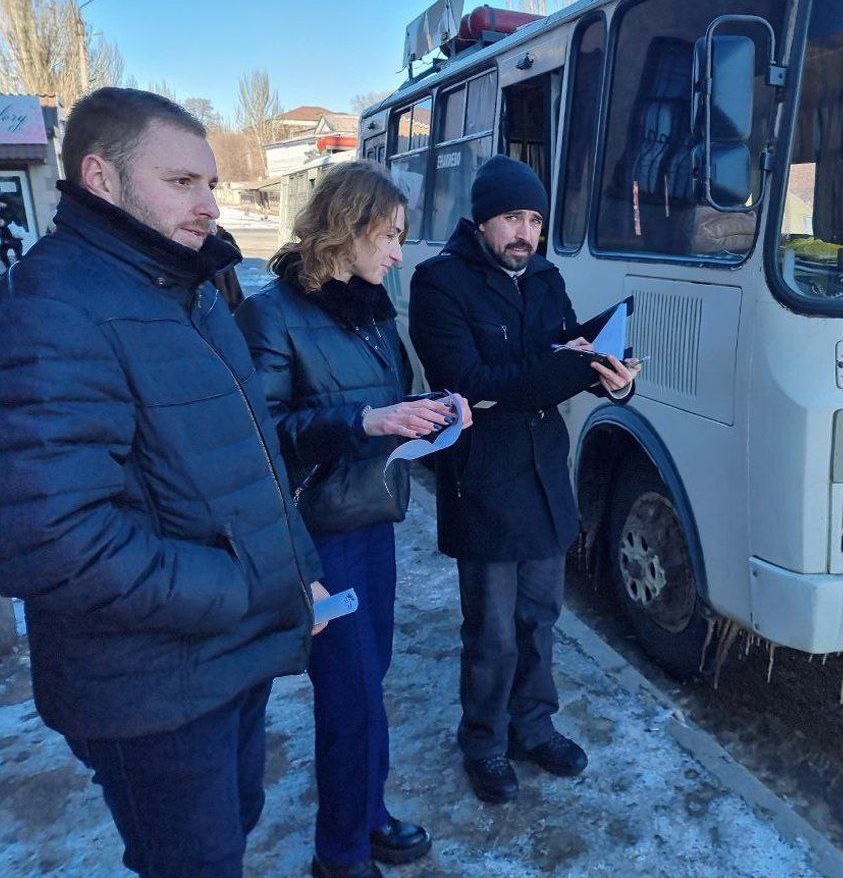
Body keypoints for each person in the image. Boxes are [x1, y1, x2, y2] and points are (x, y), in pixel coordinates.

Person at [0, 87, 328, 878]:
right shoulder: (58, 305)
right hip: (149, 690)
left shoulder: (189, 288)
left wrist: (298, 571)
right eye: (182, 182)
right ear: (100, 179)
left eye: (211, 183)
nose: (210, 205)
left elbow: (248, 460)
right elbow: (51, 537)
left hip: (228, 656)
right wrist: (238, 588)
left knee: (233, 830)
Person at [236, 161, 469, 878]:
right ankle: (338, 853)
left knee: (372, 681)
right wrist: (366, 419)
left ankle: (368, 813)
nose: (398, 253)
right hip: (316, 537)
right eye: (391, 235)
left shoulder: (371, 308)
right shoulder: (271, 312)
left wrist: (432, 414)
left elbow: (385, 407)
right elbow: (262, 434)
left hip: (372, 518)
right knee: (347, 693)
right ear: (349, 225)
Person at [409, 155, 640, 804]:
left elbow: (564, 352)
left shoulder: (544, 277)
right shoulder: (440, 283)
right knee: (492, 633)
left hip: (543, 479)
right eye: (512, 217)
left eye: (535, 220)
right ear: (483, 219)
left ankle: (533, 726)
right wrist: (568, 366)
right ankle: (483, 741)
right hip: (483, 483)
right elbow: (471, 384)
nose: (525, 233)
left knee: (541, 617)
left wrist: (613, 378)